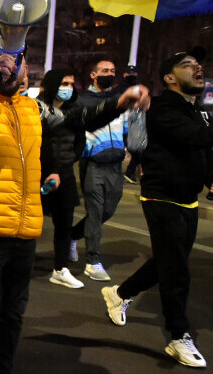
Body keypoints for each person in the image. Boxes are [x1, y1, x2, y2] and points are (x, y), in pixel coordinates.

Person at [0, 51, 148, 374]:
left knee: (14, 311)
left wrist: (119, 103)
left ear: (27, 70)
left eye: (19, 64)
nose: (14, 70)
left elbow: (76, 119)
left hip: (26, 224)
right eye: (4, 63)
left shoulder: (34, 109)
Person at [102, 46, 213, 368]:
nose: (197, 68)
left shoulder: (197, 111)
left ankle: (119, 293)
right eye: (188, 65)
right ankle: (178, 336)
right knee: (177, 271)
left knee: (168, 261)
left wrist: (212, 177)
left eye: (199, 64)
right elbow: (196, 137)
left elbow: (202, 150)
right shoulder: (161, 109)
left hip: (188, 200)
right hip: (161, 198)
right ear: (170, 78)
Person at [37, 69, 148, 289]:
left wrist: (120, 103)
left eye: (70, 83)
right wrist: (48, 170)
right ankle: (17, 266)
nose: (68, 88)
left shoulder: (75, 110)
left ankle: (60, 268)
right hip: (38, 174)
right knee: (29, 224)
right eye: (63, 83)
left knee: (64, 224)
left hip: (64, 175)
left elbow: (90, 122)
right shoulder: (36, 109)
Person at [70, 59, 128, 281]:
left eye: (113, 70)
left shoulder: (119, 100)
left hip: (116, 164)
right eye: (105, 70)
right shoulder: (83, 100)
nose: (110, 74)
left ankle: (73, 235)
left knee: (108, 210)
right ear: (93, 75)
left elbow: (124, 128)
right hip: (93, 163)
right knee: (95, 211)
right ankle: (93, 261)